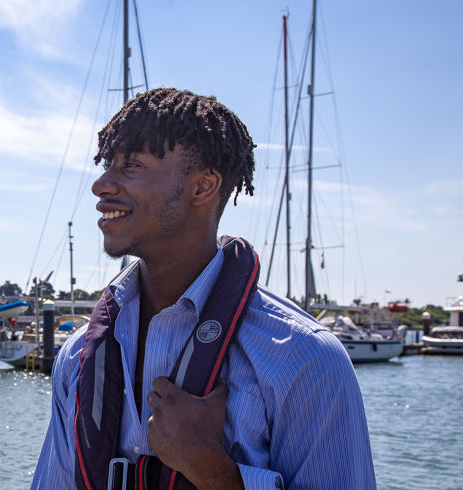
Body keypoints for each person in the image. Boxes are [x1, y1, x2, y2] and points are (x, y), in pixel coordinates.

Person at [31, 88, 375, 489]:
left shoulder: (306, 362)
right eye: (108, 164)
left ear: (203, 187)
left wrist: (211, 469)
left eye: (131, 165)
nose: (101, 184)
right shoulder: (76, 358)